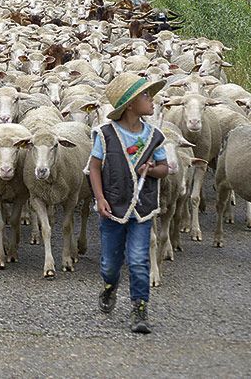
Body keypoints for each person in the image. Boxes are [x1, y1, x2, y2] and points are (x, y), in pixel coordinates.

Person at [87, 72, 170, 334]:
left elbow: (165, 168)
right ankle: (110, 286)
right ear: (131, 104)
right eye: (147, 96)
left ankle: (140, 307)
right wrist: (99, 198)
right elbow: (94, 167)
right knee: (109, 264)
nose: (152, 100)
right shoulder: (105, 134)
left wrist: (153, 168)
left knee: (138, 260)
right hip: (112, 207)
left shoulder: (154, 136)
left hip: (142, 209)